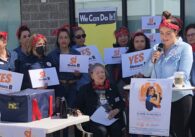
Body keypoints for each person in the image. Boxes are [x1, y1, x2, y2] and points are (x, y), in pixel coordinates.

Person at [143, 11, 193, 137]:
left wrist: (162, 84)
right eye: (161, 33)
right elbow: (146, 72)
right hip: (158, 99)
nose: (164, 37)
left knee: (181, 133)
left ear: (176, 32)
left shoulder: (185, 47)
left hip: (179, 98)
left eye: (168, 33)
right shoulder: (156, 48)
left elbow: (183, 75)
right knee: (159, 134)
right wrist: (152, 60)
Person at [75, 63, 125, 137]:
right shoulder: (84, 89)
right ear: (92, 76)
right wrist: (78, 111)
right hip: (92, 120)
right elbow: (77, 106)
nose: (101, 74)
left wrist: (116, 110)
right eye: (97, 73)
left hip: (110, 118)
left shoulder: (113, 87)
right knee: (101, 131)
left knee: (116, 128)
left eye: (102, 72)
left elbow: (121, 103)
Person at [124, 32, 151, 137]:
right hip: (133, 92)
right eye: (137, 41)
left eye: (142, 41)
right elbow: (124, 77)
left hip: (149, 91)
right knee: (135, 119)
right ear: (133, 43)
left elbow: (155, 73)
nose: (139, 44)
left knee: (148, 117)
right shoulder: (127, 57)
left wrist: (144, 77)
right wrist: (132, 78)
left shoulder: (151, 55)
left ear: (146, 42)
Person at [185, 23, 195, 137]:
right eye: (188, 35)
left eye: (193, 34)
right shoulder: (184, 52)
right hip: (189, 93)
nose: (191, 37)